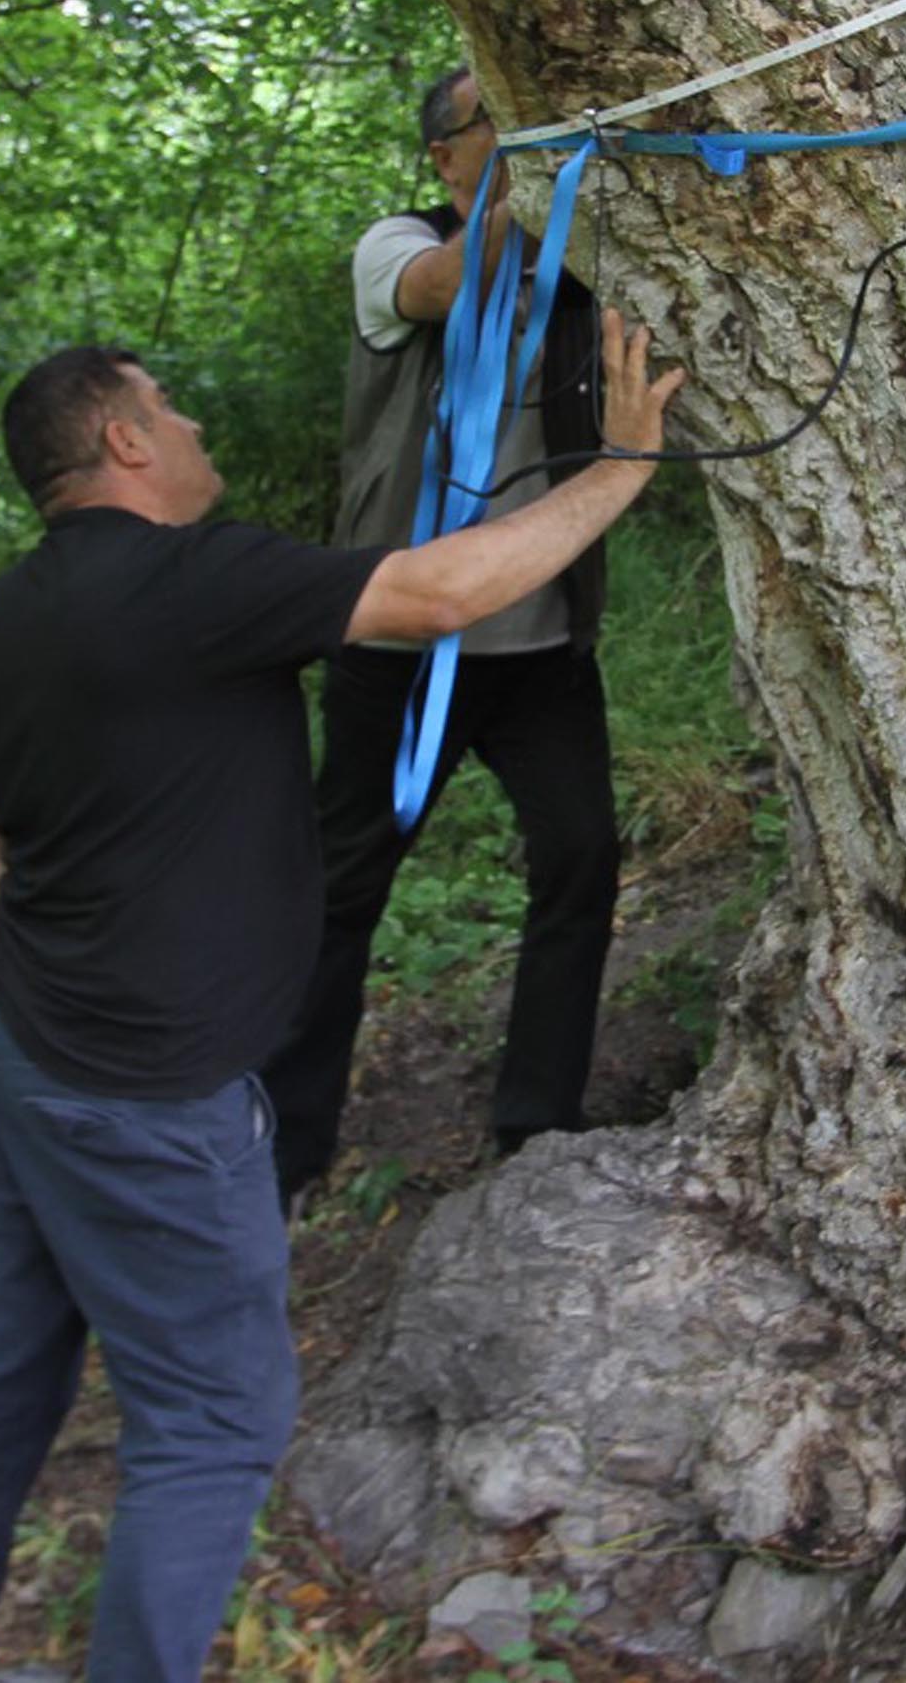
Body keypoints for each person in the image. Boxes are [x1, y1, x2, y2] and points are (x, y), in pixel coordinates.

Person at [0, 316, 682, 1683]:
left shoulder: (15, 610)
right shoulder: (187, 579)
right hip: (141, 1092)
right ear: (121, 441)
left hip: (14, 1043)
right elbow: (437, 595)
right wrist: (621, 467)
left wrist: (20, 911)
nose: (195, 431)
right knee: (214, 1419)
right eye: (170, 411)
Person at [263, 66, 620, 1211]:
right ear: (445, 157)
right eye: (494, 128)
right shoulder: (394, 245)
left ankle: (536, 1121)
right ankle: (283, 1147)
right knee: (341, 888)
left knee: (580, 859)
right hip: (399, 637)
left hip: (540, 645)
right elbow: (446, 282)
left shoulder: (580, 267)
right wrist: (549, 160)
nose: (514, 144)